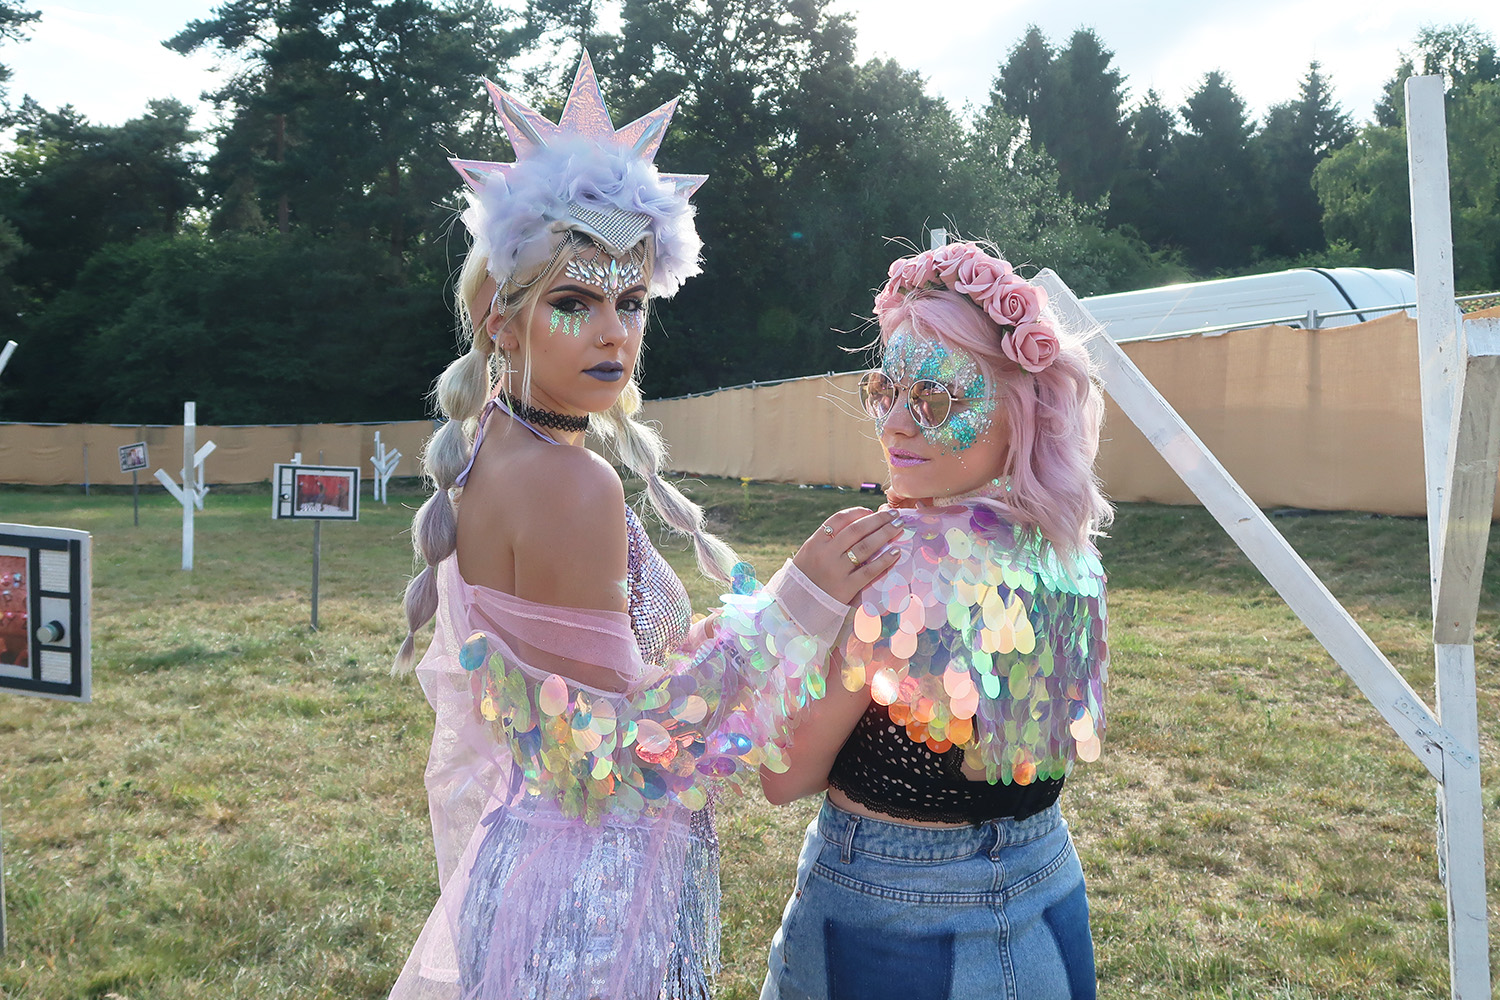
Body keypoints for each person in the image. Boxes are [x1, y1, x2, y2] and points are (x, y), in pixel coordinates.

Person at [387, 54, 900, 1000]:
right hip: (588, 904)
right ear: (503, 322)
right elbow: (638, 749)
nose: (614, 333)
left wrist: (693, 639)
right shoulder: (572, 483)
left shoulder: (487, 452)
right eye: (574, 303)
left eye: (630, 302)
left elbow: (588, 682)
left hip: (535, 871)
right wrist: (802, 601)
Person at [759, 241, 1112, 1000]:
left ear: (1017, 412)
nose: (894, 423)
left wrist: (795, 610)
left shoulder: (886, 565)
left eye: (938, 401)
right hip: (1049, 892)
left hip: (890, 915)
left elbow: (783, 775)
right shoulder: (1067, 557)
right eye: (885, 389)